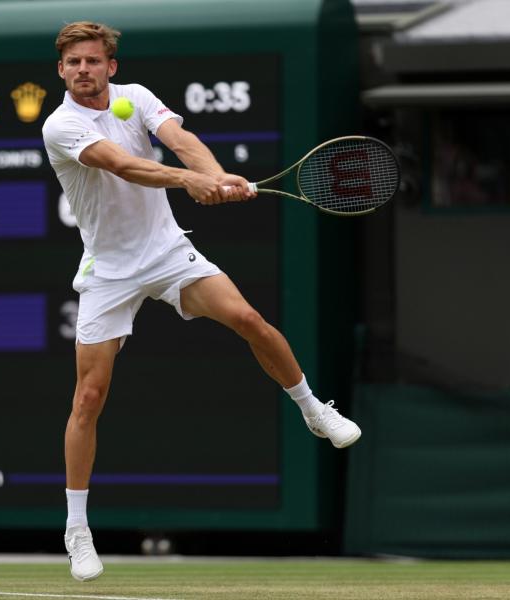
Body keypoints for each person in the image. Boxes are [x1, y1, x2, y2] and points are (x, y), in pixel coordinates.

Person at [41, 21, 361, 582]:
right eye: (74, 63)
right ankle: (77, 530)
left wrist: (215, 175)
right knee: (88, 398)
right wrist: (192, 182)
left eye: (93, 61)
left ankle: (313, 408)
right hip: (109, 270)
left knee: (248, 318)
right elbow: (124, 166)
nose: (84, 70)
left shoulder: (135, 98)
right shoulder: (60, 125)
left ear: (110, 66)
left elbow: (182, 140)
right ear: (61, 70)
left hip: (166, 251)